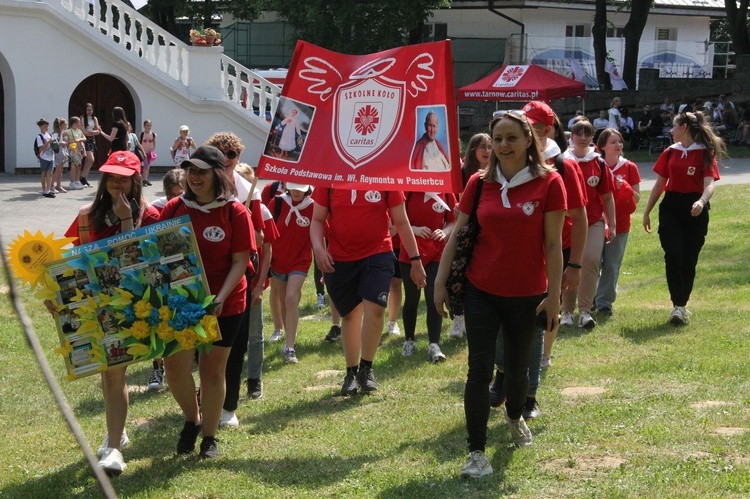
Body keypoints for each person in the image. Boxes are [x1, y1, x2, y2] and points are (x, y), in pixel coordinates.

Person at [434, 110, 565, 478]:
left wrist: (554, 296)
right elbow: (458, 233)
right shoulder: (478, 183)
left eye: (511, 138)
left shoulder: (550, 183)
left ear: (529, 141)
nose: (503, 146)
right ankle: (476, 453)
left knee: (517, 372)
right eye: (497, 140)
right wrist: (440, 282)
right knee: (478, 369)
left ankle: (513, 417)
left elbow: (553, 246)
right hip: (481, 291)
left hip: (528, 294)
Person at [59, 151, 160, 475]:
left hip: (135, 307)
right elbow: (68, 261)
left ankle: (114, 448)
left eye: (124, 176)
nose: (117, 182)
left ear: (135, 180)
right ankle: (117, 433)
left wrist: (127, 220)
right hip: (97, 308)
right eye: (112, 176)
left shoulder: (152, 215)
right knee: (110, 373)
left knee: (115, 371)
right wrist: (57, 294)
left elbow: (145, 264)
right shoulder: (87, 216)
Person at [488, 101, 587, 420]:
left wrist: (575, 265)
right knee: (500, 326)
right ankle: (502, 371)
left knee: (535, 328)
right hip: (507, 259)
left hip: (549, 258)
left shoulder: (561, 165)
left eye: (529, 125)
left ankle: (529, 396)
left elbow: (579, 216)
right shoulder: (504, 163)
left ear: (545, 131)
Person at [159, 146, 255, 458]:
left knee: (213, 372)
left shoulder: (235, 211)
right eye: (190, 170)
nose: (194, 177)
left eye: (201, 171)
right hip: (182, 304)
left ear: (217, 173)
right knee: (175, 369)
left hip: (226, 301)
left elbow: (241, 262)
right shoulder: (174, 208)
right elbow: (155, 253)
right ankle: (192, 419)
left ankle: (210, 438)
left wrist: (220, 298)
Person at [310, 187, 426, 396]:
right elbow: (317, 220)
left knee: (376, 307)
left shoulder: (385, 174)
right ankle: (351, 373)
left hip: (378, 252)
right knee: (351, 314)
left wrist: (415, 260)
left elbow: (401, 220)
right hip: (340, 257)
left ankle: (366, 368)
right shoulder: (329, 177)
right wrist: (319, 249)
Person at [642, 111, 723, 325]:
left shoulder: (705, 152)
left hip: (695, 208)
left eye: (674, 126)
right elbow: (660, 184)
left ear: (684, 127)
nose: (671, 130)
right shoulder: (670, 152)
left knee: (689, 259)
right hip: (671, 207)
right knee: (673, 254)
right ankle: (677, 305)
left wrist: (701, 202)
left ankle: (682, 305)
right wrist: (647, 211)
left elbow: (710, 184)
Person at [561, 118, 616, 329]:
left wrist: (613, 223)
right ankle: (567, 311)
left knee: (590, 260)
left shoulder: (598, 163)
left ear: (593, 137)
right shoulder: (561, 161)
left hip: (593, 221)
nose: (582, 138)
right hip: (567, 222)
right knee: (570, 263)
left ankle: (584, 311)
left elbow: (608, 196)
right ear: (571, 137)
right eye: (578, 134)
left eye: (587, 134)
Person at [400, 190, 456, 362]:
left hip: (436, 253)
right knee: (412, 298)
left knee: (434, 296)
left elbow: (454, 221)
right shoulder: (408, 192)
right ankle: (409, 340)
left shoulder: (447, 193)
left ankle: (434, 344)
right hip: (410, 253)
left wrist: (445, 232)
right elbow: (398, 220)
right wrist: (414, 230)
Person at [594, 128, 641, 316]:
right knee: (593, 263)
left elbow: (637, 198)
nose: (618, 145)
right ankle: (589, 300)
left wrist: (626, 187)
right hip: (596, 223)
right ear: (603, 146)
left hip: (620, 224)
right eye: (613, 142)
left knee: (612, 265)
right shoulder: (595, 165)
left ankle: (604, 303)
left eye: (620, 141)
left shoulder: (629, 167)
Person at [267, 183, 315, 364]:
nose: (296, 192)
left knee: (290, 298)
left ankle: (290, 348)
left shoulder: (313, 206)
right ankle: (289, 336)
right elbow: (268, 231)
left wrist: (322, 259)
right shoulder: (277, 203)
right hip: (279, 260)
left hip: (300, 261)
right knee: (283, 298)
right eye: (294, 188)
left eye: (301, 189)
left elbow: (320, 232)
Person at [80, 103, 101, 188]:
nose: (89, 111)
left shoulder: (94, 118)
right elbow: (84, 132)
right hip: (84, 139)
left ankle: (84, 178)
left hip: (92, 140)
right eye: (87, 110)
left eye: (90, 110)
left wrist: (92, 132)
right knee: (91, 159)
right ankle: (82, 177)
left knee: (89, 161)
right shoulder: (82, 118)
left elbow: (98, 131)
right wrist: (93, 132)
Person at [35, 118, 56, 198]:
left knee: (50, 173)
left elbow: (53, 145)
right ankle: (44, 190)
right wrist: (48, 142)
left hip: (51, 157)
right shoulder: (39, 137)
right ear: (40, 127)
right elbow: (41, 148)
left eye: (47, 126)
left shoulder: (49, 135)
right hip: (44, 157)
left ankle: (48, 190)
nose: (46, 128)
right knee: (44, 173)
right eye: (45, 126)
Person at [65, 117, 87, 191]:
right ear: (74, 124)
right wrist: (69, 141)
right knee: (74, 166)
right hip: (73, 150)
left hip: (79, 150)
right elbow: (62, 137)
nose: (80, 123)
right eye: (79, 122)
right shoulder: (68, 131)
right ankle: (72, 182)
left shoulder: (79, 131)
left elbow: (84, 138)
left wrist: (79, 139)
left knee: (78, 166)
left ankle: (77, 181)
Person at [51, 117, 68, 194]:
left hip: (61, 152)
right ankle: (51, 185)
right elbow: (53, 143)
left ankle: (59, 185)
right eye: (65, 124)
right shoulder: (55, 134)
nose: (66, 125)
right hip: (57, 153)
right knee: (57, 169)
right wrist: (62, 143)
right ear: (61, 125)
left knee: (60, 169)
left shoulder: (60, 133)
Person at [140, 119, 157, 186]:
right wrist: (142, 151)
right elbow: (139, 143)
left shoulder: (153, 134)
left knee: (148, 166)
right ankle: (144, 180)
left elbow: (155, 144)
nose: (149, 127)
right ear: (144, 126)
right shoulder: (141, 134)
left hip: (149, 153)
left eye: (150, 125)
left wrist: (152, 150)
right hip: (144, 152)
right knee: (146, 166)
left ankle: (146, 179)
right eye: (147, 125)